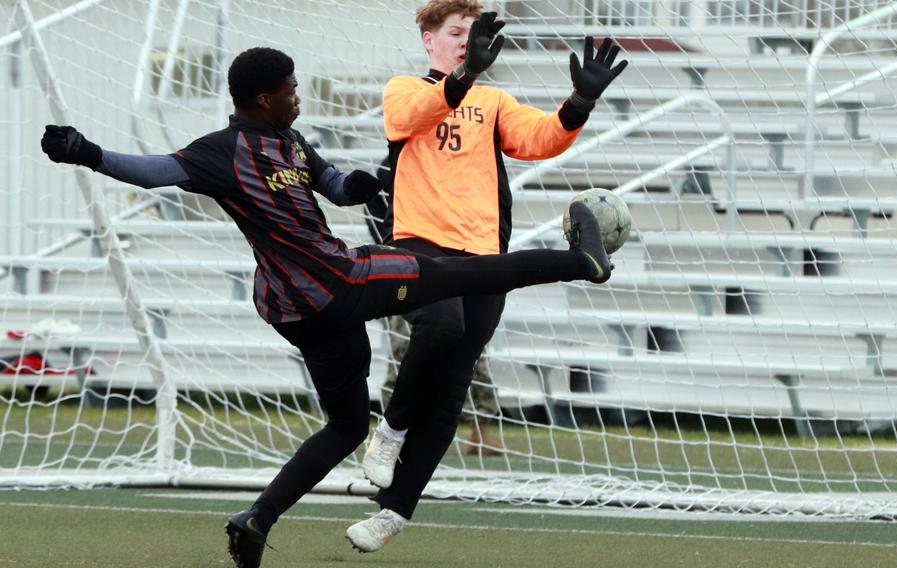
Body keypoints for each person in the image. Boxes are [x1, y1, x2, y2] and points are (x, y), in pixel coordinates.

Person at [40, 46, 613, 568]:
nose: (298, 95)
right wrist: (87, 152)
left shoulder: (290, 141)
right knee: (458, 272)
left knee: (345, 426)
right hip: (337, 280)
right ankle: (582, 261)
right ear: (263, 99)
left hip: (299, 310)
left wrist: (361, 187)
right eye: (290, 89)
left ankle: (256, 520)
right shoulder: (221, 152)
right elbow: (154, 170)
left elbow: (333, 184)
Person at [352, 0, 628, 552]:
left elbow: (542, 138)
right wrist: (465, 72)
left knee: (453, 388)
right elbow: (410, 120)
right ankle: (389, 430)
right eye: (455, 33)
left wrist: (582, 100)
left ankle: (395, 511)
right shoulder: (403, 90)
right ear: (429, 40)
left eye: (471, 35)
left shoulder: (492, 101)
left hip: (483, 252)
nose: (464, 41)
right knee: (439, 326)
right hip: (418, 243)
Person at [364, 160, 503, 456]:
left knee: (470, 350)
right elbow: (375, 213)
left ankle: (482, 428)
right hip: (406, 272)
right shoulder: (392, 168)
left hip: (456, 267)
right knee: (406, 350)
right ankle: (394, 430)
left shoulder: (460, 164)